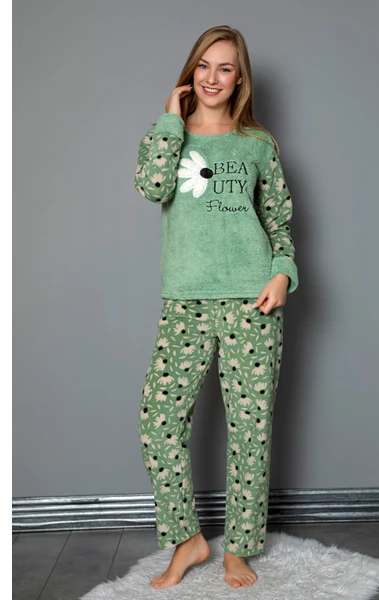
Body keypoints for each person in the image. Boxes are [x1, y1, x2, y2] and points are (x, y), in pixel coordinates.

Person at [134, 24, 299, 590]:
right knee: (157, 421)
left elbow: (279, 221)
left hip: (254, 301)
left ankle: (239, 549)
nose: (212, 77)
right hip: (186, 301)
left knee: (250, 430)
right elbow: (153, 186)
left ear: (239, 78)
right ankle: (189, 540)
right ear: (190, 73)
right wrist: (169, 121)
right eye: (203, 65)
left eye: (225, 67)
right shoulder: (167, 135)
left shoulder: (258, 144)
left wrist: (283, 273)